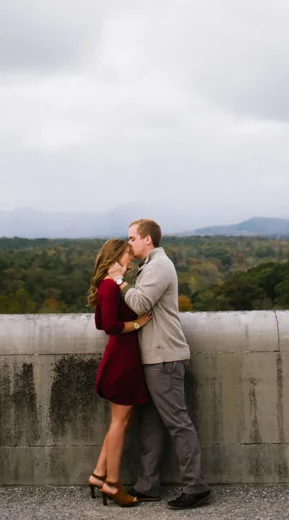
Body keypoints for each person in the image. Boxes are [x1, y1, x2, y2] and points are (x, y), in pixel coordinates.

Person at [109, 219, 211, 511]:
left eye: (131, 238)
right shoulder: (150, 266)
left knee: (178, 423)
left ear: (147, 241)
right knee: (151, 423)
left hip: (164, 357)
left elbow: (140, 303)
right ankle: (148, 484)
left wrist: (118, 280)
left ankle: (196, 486)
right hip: (154, 357)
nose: (128, 243)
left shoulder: (158, 267)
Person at [88, 238, 153, 508]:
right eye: (127, 255)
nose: (131, 260)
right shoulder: (111, 286)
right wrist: (138, 323)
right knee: (119, 421)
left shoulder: (105, 285)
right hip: (122, 359)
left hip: (120, 357)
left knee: (123, 420)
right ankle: (113, 484)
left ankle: (98, 474)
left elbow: (100, 320)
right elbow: (110, 325)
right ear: (115, 257)